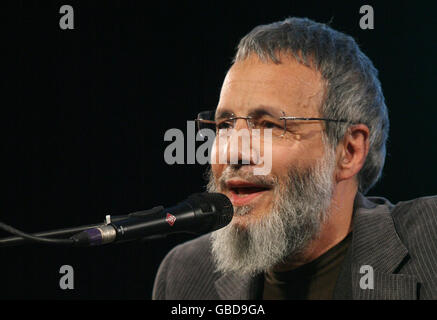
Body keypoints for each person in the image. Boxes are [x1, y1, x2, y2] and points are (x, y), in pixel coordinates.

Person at [152, 17, 437, 300]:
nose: (233, 153)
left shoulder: (430, 241)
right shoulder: (185, 274)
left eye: (269, 126)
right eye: (225, 125)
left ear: (348, 152)